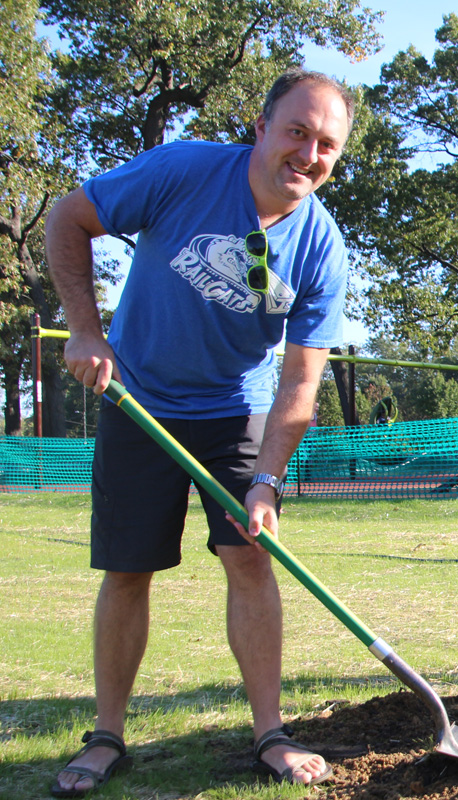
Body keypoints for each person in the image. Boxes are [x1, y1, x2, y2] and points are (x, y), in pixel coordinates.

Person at [44, 68, 353, 795]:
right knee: (128, 569)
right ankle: (106, 736)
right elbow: (67, 218)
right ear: (262, 129)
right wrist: (87, 332)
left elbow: (301, 381)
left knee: (249, 557)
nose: (309, 153)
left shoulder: (322, 250)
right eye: (297, 132)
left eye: (326, 144)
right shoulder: (183, 170)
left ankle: (270, 733)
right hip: (138, 397)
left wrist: (268, 479)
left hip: (236, 410)